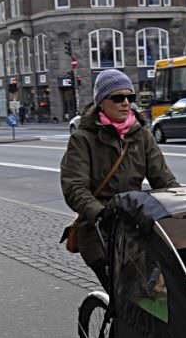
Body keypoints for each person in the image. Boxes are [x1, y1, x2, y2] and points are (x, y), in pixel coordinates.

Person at [60, 68, 178, 289]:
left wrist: (182, 202)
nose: (126, 103)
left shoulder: (142, 135)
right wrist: (100, 213)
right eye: (118, 97)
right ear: (101, 102)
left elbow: (163, 178)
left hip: (134, 221)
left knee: (170, 275)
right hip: (99, 229)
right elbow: (74, 187)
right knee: (129, 292)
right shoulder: (83, 139)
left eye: (130, 98)